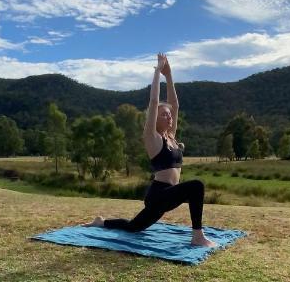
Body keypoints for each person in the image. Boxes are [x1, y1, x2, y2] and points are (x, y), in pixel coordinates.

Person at [86, 53, 216, 247]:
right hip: (158, 195)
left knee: (133, 227)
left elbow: (175, 105)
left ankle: (101, 222)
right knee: (196, 186)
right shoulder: (152, 138)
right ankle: (197, 236)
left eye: (170, 116)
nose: (169, 117)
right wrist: (157, 71)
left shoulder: (170, 137)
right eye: (164, 115)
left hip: (169, 194)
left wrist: (169, 75)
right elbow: (154, 102)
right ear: (154, 118)